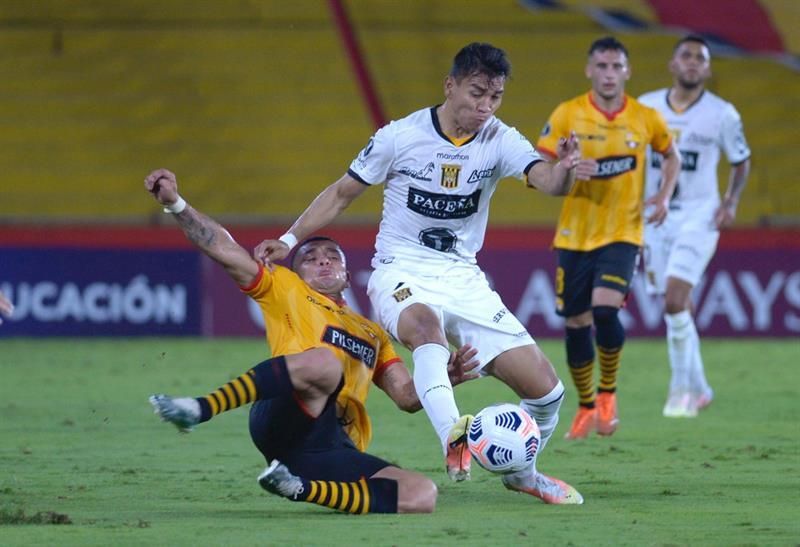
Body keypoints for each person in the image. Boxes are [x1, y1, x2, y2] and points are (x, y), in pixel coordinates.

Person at [255, 42, 585, 504]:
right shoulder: (400, 136)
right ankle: (453, 436)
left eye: (495, 97)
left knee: (547, 393)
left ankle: (522, 474)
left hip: (463, 277)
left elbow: (549, 182)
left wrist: (565, 169)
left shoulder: (500, 139)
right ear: (450, 86)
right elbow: (342, 193)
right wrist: (289, 240)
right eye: (477, 93)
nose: (486, 107)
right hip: (401, 270)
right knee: (426, 329)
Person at [143, 168, 480, 514]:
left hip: (331, 445)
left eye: (332, 256)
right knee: (326, 363)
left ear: (347, 276)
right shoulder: (284, 287)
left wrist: (441, 378)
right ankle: (200, 409)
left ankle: (299, 487)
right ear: (297, 272)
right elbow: (221, 246)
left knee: (421, 494)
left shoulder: (373, 333)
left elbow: (406, 398)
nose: (322, 259)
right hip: (285, 413)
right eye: (310, 257)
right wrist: (176, 204)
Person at [536, 36, 681, 440]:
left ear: (627, 71)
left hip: (623, 232)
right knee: (576, 323)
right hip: (574, 235)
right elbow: (540, 164)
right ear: (589, 70)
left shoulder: (645, 117)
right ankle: (585, 407)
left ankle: (608, 394)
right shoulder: (568, 114)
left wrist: (663, 196)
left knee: (604, 310)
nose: (609, 74)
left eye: (616, 66)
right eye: (602, 66)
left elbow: (671, 155)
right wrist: (566, 167)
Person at [638, 35, 751, 418]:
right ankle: (701, 388)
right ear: (672, 64)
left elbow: (740, 159)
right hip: (656, 216)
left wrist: (730, 202)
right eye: (685, 56)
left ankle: (681, 393)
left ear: (707, 68)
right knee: (677, 304)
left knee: (674, 300)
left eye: (699, 58)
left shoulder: (722, 114)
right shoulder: (647, 107)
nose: (692, 62)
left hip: (700, 215)